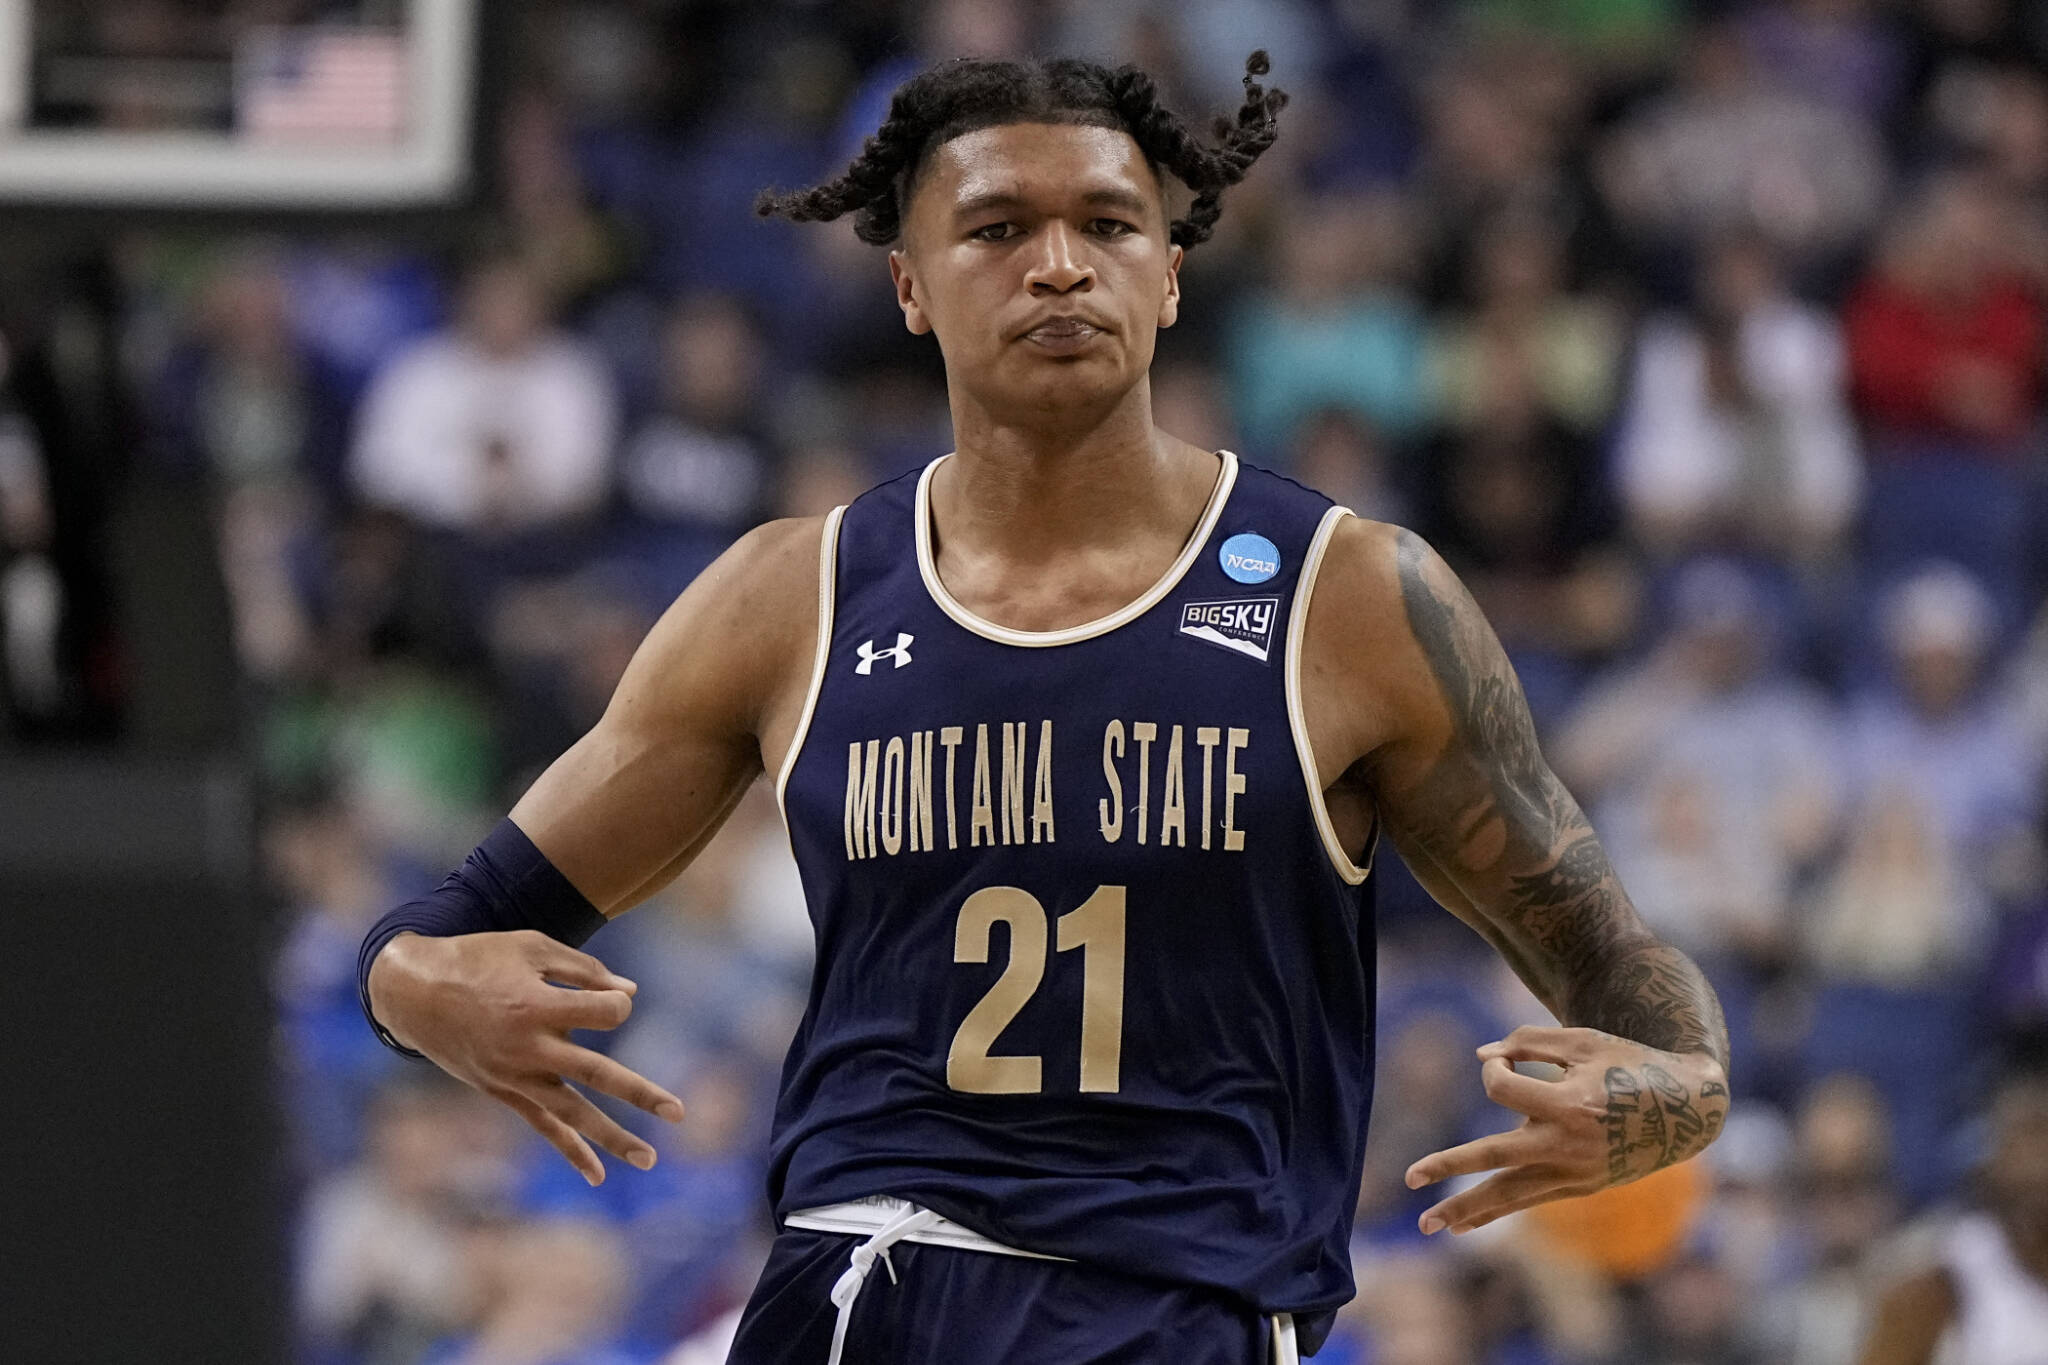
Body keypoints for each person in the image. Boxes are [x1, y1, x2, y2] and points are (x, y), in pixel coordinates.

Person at [359, 52, 1730, 1363]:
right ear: (909, 284)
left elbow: (1618, 970)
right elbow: (456, 925)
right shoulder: (796, 595)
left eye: (1110, 224)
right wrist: (408, 983)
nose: (1060, 264)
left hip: (1181, 1301)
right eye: (999, 227)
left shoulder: (1353, 598)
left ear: (1173, 275)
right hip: (865, 1278)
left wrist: (1686, 1079)